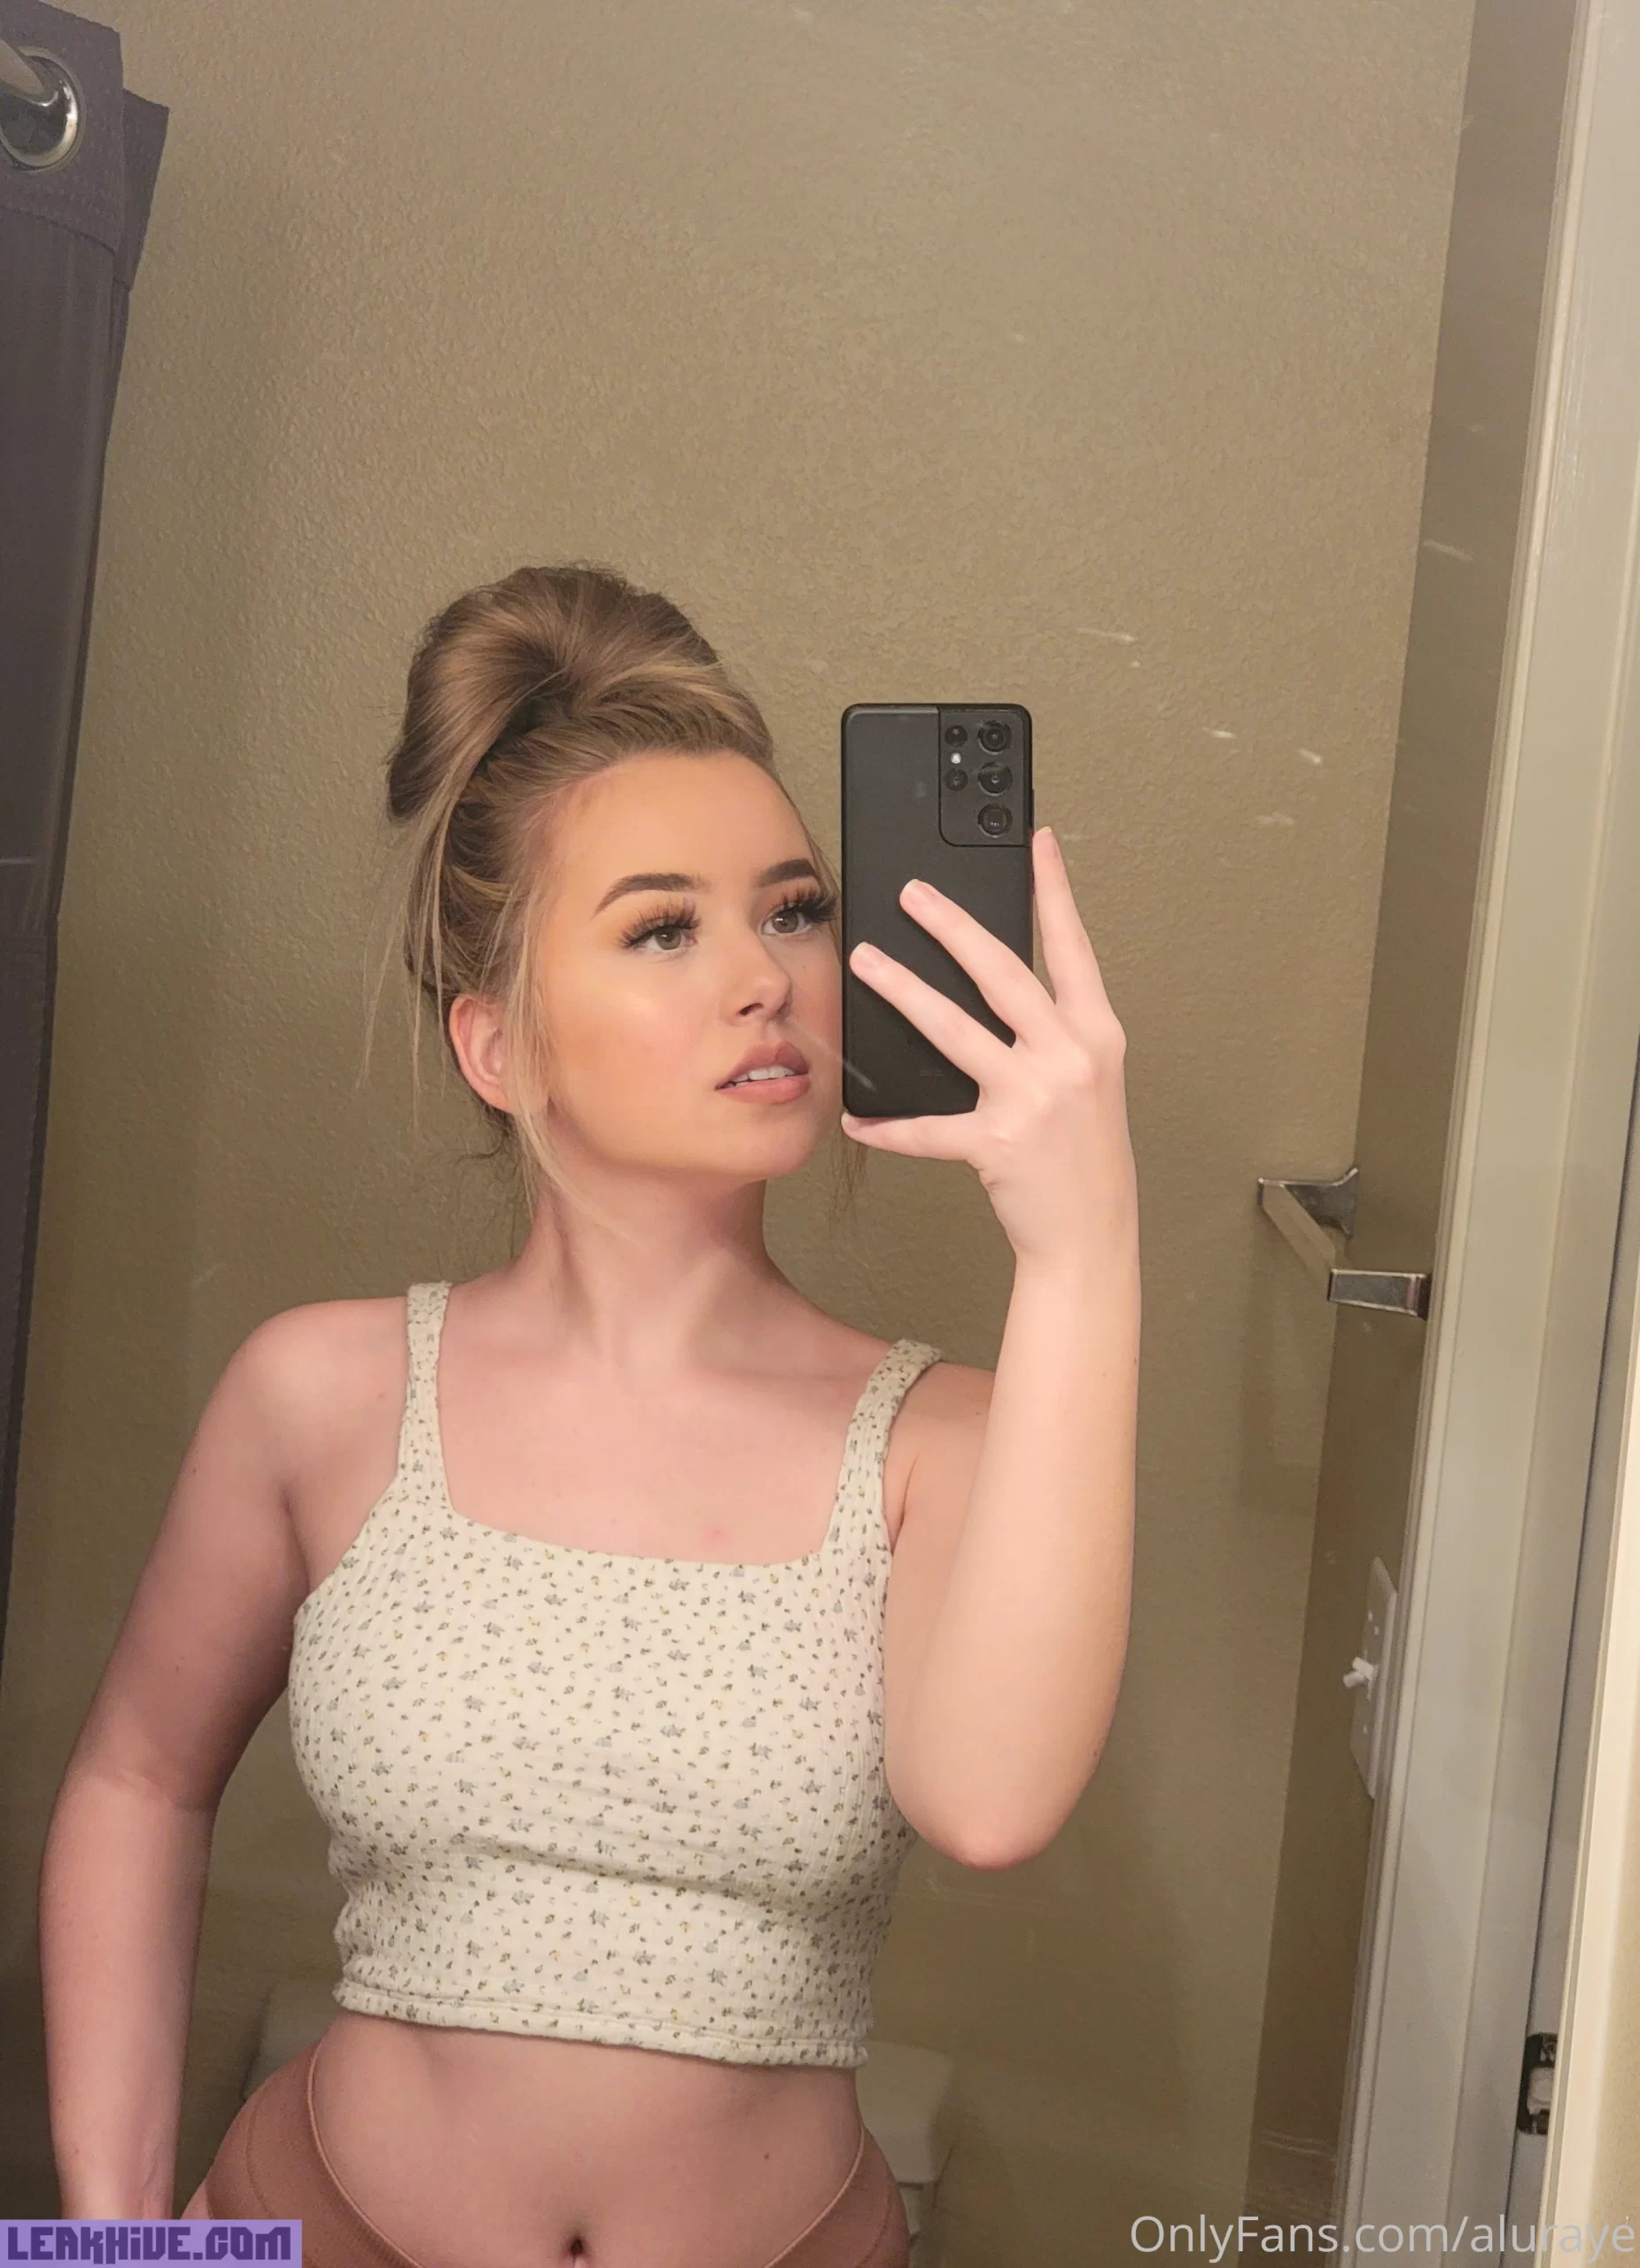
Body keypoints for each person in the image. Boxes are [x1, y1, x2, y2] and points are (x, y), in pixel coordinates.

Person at [38, 563, 1139, 2268]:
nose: (765, 978)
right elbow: (134, 1780)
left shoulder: (940, 1441)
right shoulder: (319, 1394)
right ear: (500, 1046)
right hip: (305, 2228)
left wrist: (1084, 1252)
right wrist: (110, 2247)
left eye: (792, 911)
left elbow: (989, 1808)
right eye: (662, 929)